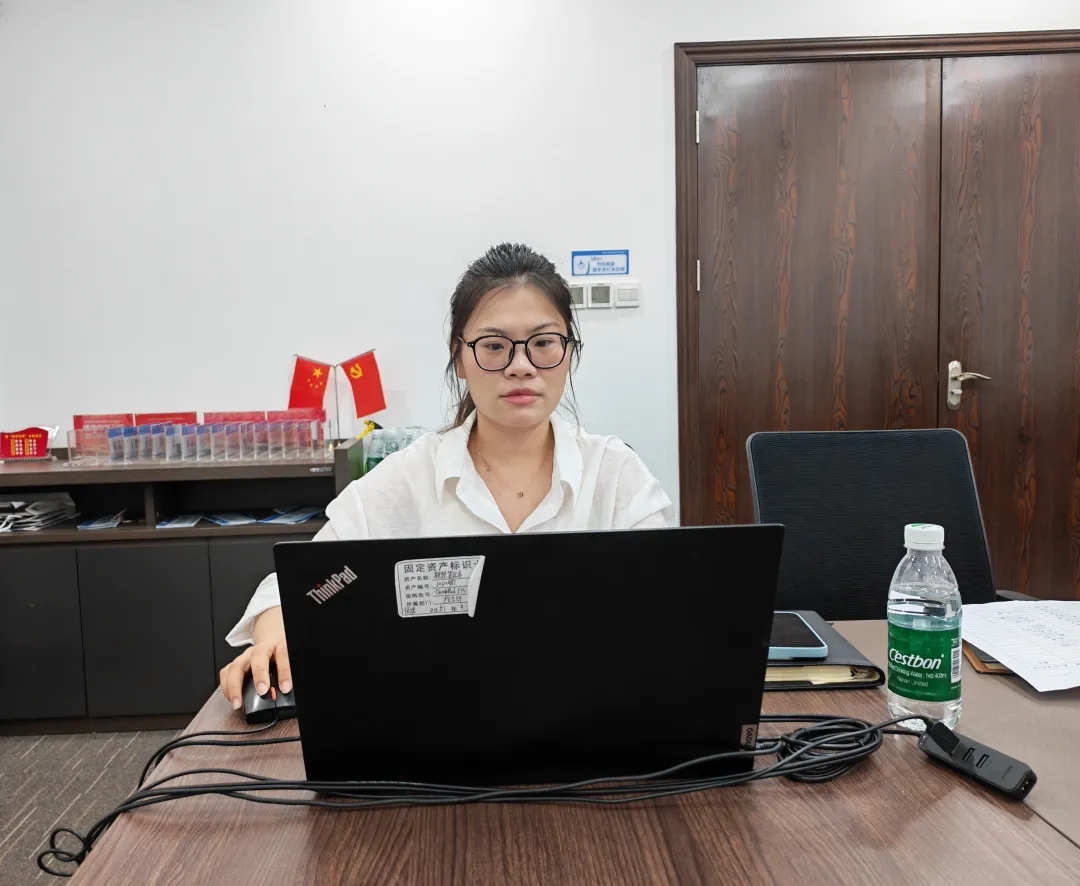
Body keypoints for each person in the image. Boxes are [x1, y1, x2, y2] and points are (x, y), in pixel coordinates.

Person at [219, 242, 674, 708]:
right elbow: (305, 584)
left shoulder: (615, 475)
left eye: (543, 343)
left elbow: (670, 600)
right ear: (459, 359)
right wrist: (275, 635)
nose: (521, 366)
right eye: (494, 346)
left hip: (590, 715)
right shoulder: (408, 478)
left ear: (569, 352)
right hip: (435, 714)